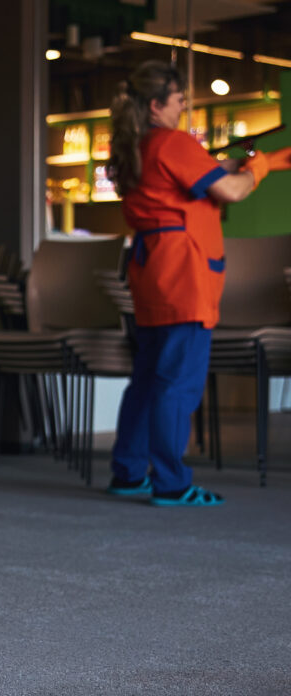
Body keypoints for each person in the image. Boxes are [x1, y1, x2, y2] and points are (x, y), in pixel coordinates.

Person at [105, 60, 290, 507]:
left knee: (149, 378)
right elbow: (231, 191)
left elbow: (193, 181)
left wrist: (258, 161)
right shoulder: (172, 141)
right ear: (156, 105)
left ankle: (129, 474)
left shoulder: (138, 146)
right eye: (180, 100)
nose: (184, 107)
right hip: (184, 275)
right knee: (179, 382)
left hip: (152, 272)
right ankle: (171, 482)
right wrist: (259, 169)